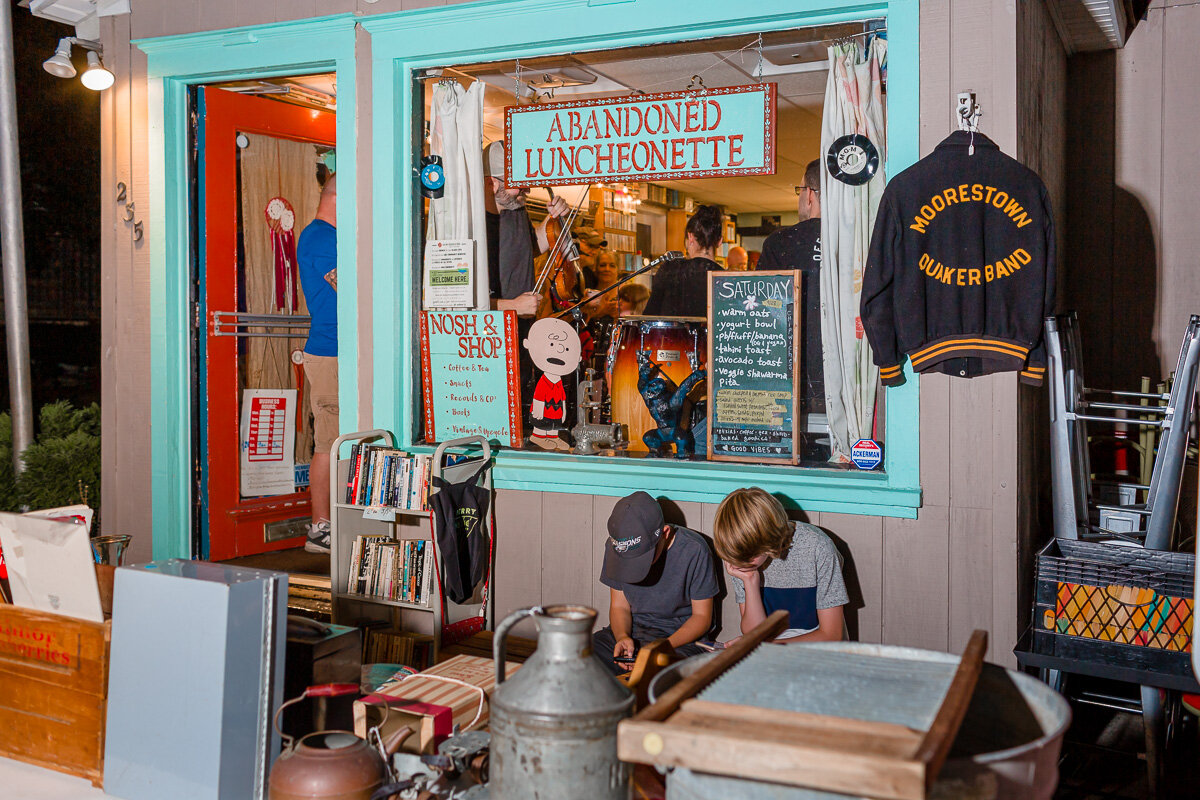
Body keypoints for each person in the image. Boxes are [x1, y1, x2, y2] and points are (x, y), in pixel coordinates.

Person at [593, 491, 720, 675]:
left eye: (642, 559)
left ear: (665, 534)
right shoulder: (617, 548)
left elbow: (702, 618)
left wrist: (659, 648)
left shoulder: (694, 550)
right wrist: (622, 637)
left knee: (665, 674)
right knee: (579, 657)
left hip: (679, 640)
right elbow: (619, 606)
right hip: (631, 632)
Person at [713, 487, 847, 643]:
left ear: (768, 541)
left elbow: (832, 635)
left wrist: (761, 646)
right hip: (770, 649)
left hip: (816, 650)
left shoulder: (818, 547)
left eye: (750, 557)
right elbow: (755, 633)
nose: (742, 565)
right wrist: (750, 581)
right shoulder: (739, 556)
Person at [757, 159, 825, 414]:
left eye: (800, 190)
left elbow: (762, 313)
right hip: (846, 373)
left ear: (809, 194)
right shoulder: (857, 239)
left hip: (787, 372)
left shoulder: (779, 243)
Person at [298, 174, 338, 554]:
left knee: (336, 439)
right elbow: (349, 287)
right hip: (330, 353)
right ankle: (319, 529)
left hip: (340, 350)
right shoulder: (321, 237)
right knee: (328, 440)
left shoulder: (325, 236)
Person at [482, 141, 570, 318]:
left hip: (523, 326)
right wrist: (511, 306)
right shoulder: (471, 225)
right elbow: (460, 301)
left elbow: (530, 249)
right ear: (493, 184)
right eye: (519, 184)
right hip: (492, 331)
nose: (528, 190)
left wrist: (554, 217)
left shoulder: (517, 211)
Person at [642, 204, 724, 317]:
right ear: (720, 241)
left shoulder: (670, 269)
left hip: (669, 335)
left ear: (690, 237)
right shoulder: (725, 278)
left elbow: (650, 314)